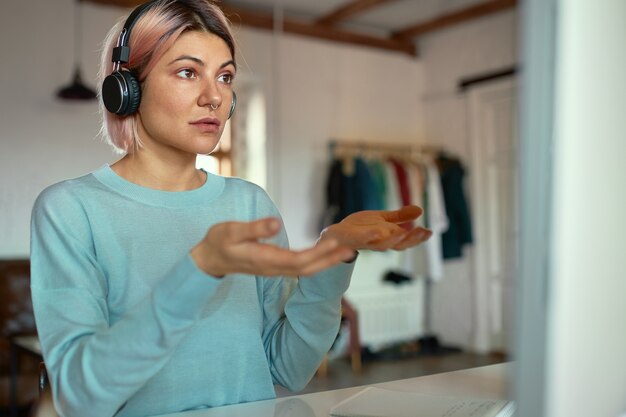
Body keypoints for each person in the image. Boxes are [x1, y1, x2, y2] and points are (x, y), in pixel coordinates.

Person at [29, 1, 433, 417]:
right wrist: (199, 269)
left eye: (225, 77)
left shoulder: (248, 203)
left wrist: (335, 254)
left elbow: (289, 369)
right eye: (188, 72)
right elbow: (79, 397)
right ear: (127, 88)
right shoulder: (69, 211)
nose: (214, 97)